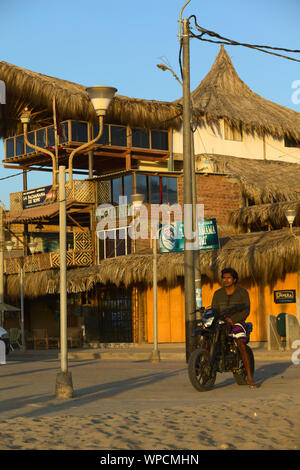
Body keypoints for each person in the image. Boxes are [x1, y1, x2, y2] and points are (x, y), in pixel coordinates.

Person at [211, 267, 257, 388]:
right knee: (207, 336)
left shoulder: (242, 292)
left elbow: (246, 310)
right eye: (224, 278)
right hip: (221, 322)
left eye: (228, 278)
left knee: (241, 345)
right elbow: (214, 309)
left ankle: (249, 377)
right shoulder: (218, 293)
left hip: (237, 323)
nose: (225, 280)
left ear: (234, 279)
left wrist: (234, 320)